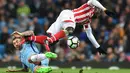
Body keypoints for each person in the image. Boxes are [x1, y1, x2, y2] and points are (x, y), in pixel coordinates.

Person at [46, 0, 116, 54]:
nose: (99, 14)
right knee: (69, 29)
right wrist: (104, 9)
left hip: (65, 18)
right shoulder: (89, 7)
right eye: (99, 11)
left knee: (54, 39)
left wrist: (98, 47)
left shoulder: (87, 21)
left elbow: (89, 35)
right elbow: (93, 0)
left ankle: (44, 44)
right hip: (69, 14)